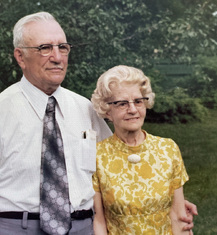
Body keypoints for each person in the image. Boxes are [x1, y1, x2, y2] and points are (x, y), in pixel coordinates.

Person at [0, 12, 112, 235]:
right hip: (16, 227)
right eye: (45, 48)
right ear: (20, 57)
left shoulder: (86, 109)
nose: (57, 57)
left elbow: (115, 166)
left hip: (83, 227)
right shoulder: (2, 109)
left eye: (63, 47)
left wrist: (170, 203)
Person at [91, 65, 198, 234]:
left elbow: (178, 216)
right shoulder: (97, 156)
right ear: (107, 111)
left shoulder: (167, 149)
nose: (133, 110)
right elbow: (99, 222)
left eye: (138, 101)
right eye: (122, 103)